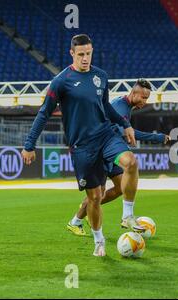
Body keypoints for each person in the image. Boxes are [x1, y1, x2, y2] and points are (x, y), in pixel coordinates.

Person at [21, 34, 140, 257]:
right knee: (95, 197)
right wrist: (29, 145)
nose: (86, 58)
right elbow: (44, 113)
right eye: (81, 54)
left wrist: (125, 125)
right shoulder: (61, 81)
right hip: (82, 146)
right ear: (72, 54)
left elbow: (106, 107)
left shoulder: (101, 77)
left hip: (105, 136)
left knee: (130, 163)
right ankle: (98, 241)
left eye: (89, 54)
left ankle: (128, 215)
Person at [67, 79, 171, 236]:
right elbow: (127, 133)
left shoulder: (124, 104)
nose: (145, 101)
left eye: (147, 98)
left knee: (121, 187)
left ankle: (81, 218)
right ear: (134, 93)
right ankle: (77, 221)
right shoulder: (121, 108)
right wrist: (157, 137)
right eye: (143, 97)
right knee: (99, 193)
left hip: (110, 149)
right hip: (101, 151)